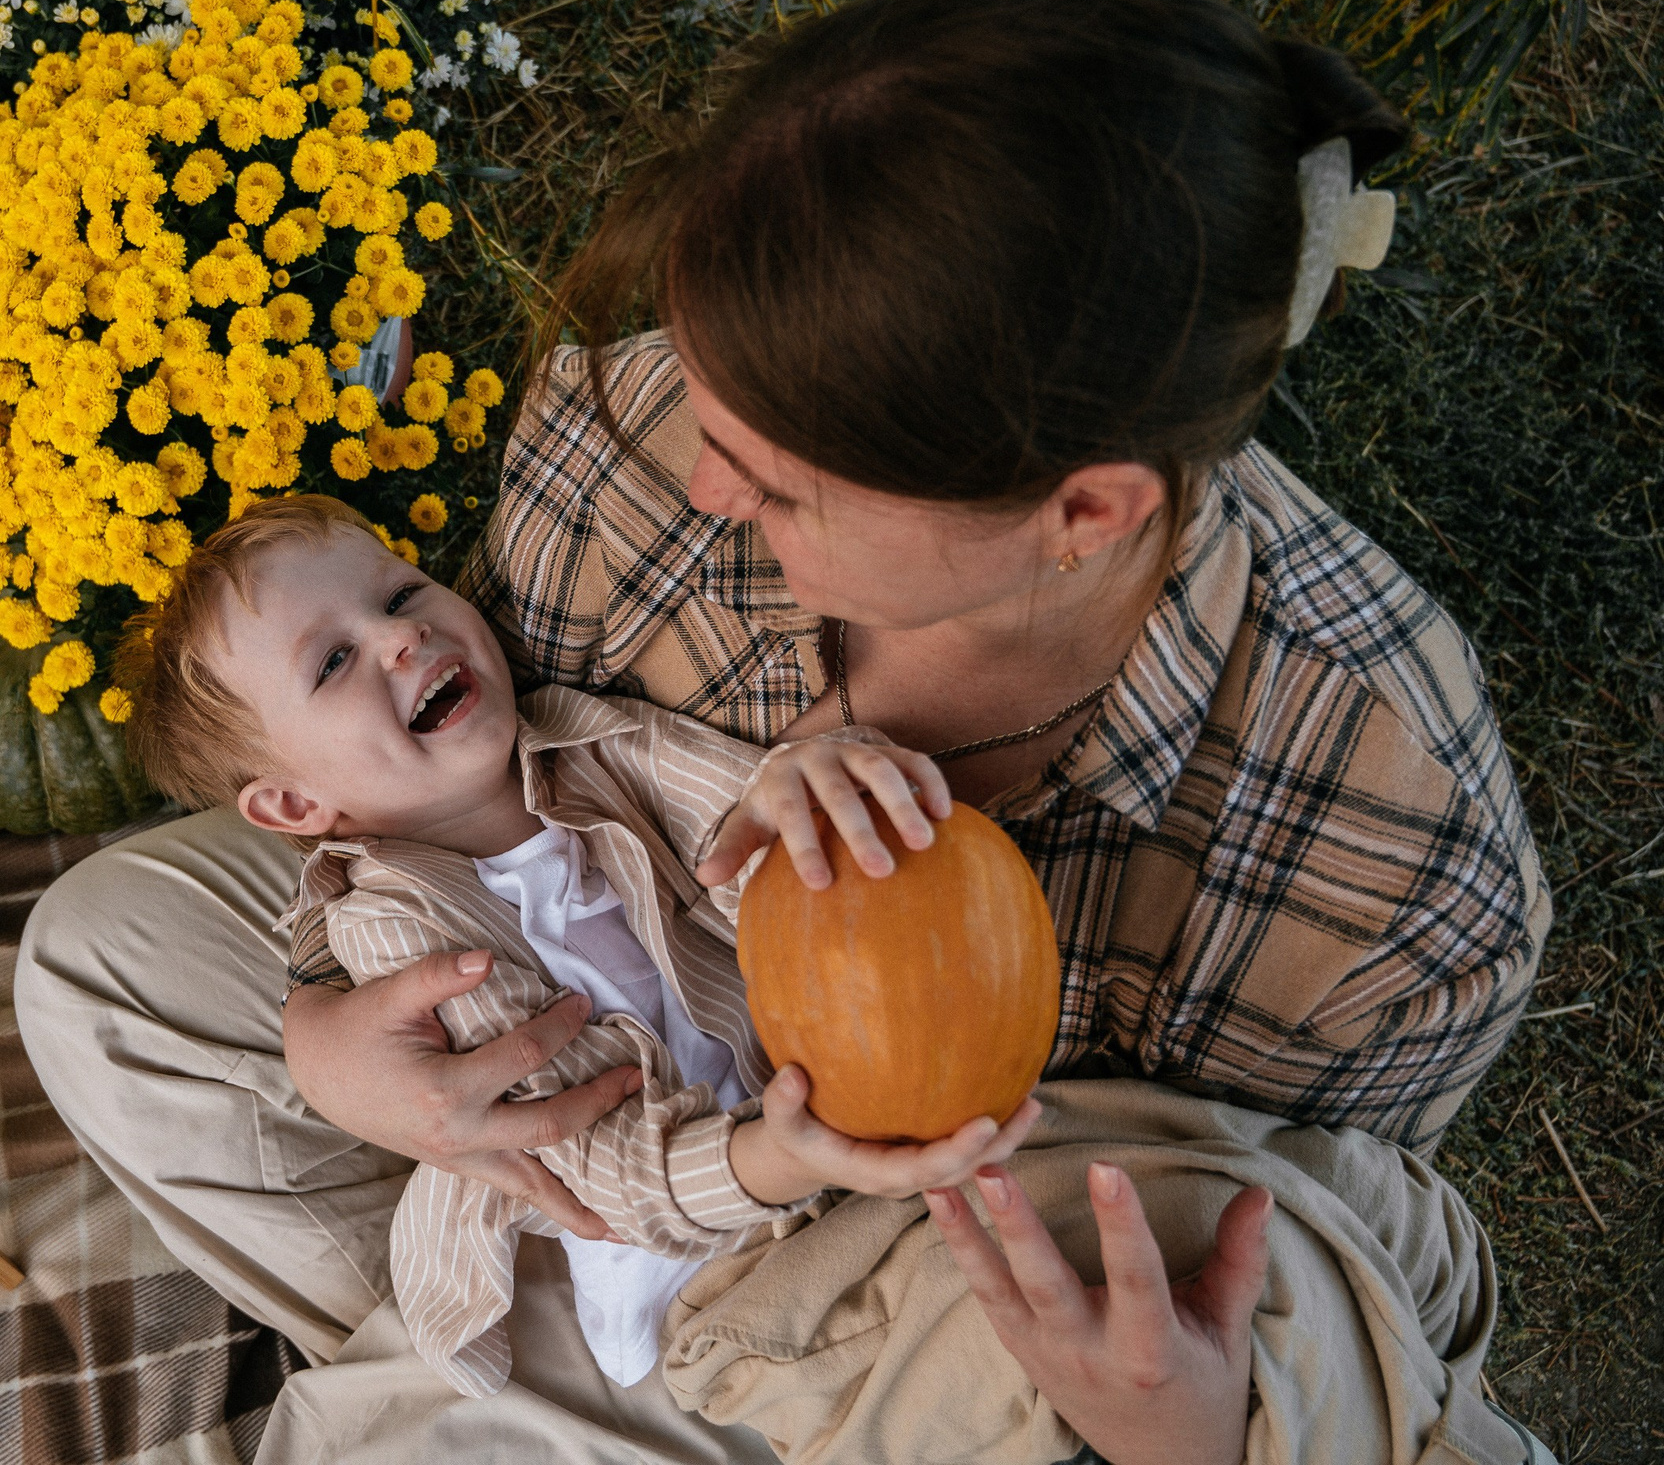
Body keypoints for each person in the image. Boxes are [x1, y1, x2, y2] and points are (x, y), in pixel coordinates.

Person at [16, 0, 1549, 1464]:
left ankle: (539, 1390)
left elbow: (1297, 1260)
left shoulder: (1393, 864)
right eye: (709, 398)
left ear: (1081, 512)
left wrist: (1184, 1437)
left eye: (783, 480)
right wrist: (329, 1043)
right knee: (103, 957)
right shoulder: (642, 437)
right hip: (602, 1066)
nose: (704, 484)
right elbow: (444, 798)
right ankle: (517, 1337)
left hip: (883, 1263)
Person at [108, 492, 1031, 1400]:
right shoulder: (405, 934)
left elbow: (745, 829)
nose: (402, 636)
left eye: (400, 593)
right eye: (335, 660)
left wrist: (809, 782)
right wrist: (788, 1159)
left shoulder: (589, 739)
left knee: (997, 1239)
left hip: (808, 1103)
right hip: (684, 1262)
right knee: (944, 1368)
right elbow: (601, 1165)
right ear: (295, 805)